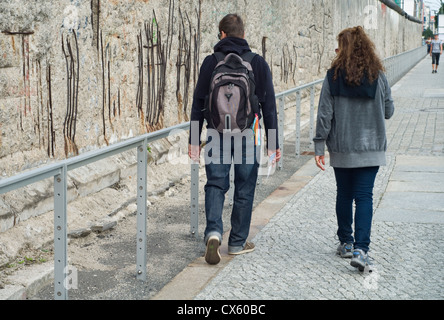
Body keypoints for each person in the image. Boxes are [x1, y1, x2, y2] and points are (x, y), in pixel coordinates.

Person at [188, 14, 281, 265]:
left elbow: (198, 103)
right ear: (243, 34)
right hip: (247, 134)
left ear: (222, 34)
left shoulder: (211, 62)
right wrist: (273, 144)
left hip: (215, 133)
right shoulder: (257, 62)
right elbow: (269, 105)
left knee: (216, 184)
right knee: (245, 186)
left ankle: (214, 233)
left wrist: (193, 140)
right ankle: (238, 242)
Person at [313, 26, 394, 271]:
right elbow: (389, 111)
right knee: (365, 196)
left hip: (343, 148)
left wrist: (319, 146)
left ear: (343, 50)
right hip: (371, 148)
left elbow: (324, 115)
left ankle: (346, 243)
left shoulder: (332, 77)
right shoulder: (378, 76)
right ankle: (362, 249)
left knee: (345, 195)